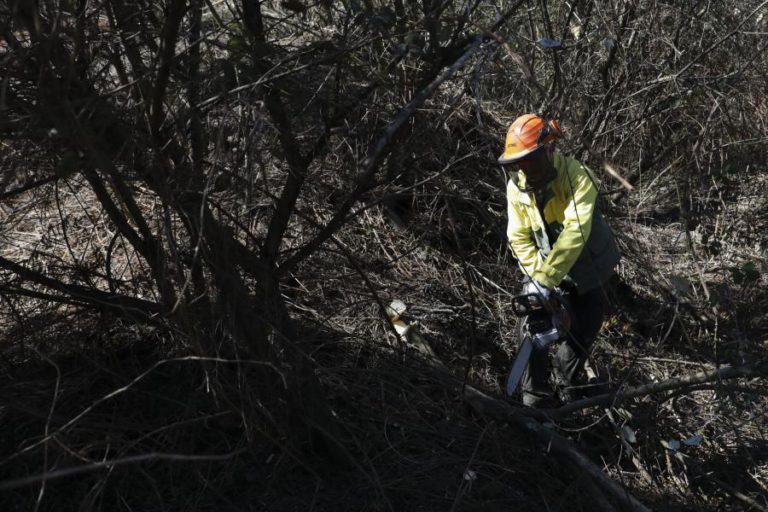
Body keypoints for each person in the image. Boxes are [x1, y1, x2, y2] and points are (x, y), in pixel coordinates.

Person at [499, 114, 620, 407]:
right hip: (550, 269)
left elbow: (575, 232)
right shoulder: (517, 188)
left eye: (532, 160)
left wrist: (545, 278)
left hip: (591, 269)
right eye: (521, 162)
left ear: (550, 149)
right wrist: (536, 280)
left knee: (582, 331)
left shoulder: (577, 177)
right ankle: (535, 395)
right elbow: (518, 237)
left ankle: (569, 386)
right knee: (534, 323)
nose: (526, 168)